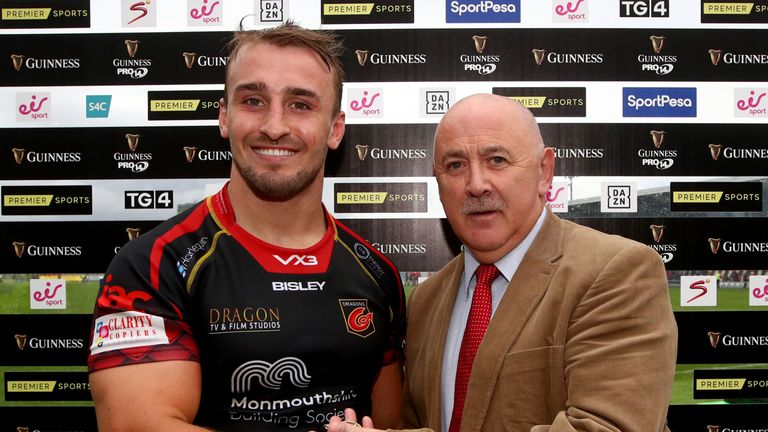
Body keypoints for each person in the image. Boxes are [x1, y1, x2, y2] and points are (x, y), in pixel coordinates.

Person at [88, 21, 406, 432]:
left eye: (301, 104)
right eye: (253, 100)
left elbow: (390, 424)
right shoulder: (152, 265)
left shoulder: (378, 273)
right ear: (224, 117)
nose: (274, 126)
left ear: (335, 129)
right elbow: (134, 427)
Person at [328, 94, 677, 432]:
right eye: (455, 165)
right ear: (437, 183)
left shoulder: (618, 271)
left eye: (496, 160)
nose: (476, 185)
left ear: (544, 171)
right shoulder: (426, 299)